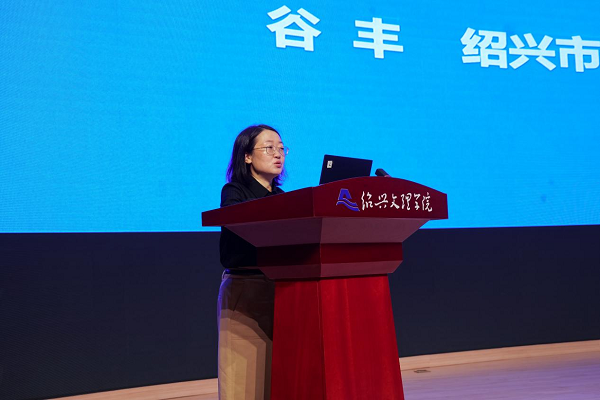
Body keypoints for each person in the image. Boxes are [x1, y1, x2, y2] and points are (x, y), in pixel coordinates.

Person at [217, 124, 288, 400]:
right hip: (245, 288)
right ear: (247, 156)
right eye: (269, 148)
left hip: (281, 290)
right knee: (242, 373)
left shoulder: (282, 197)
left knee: (277, 373)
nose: (278, 154)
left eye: (281, 148)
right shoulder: (234, 192)